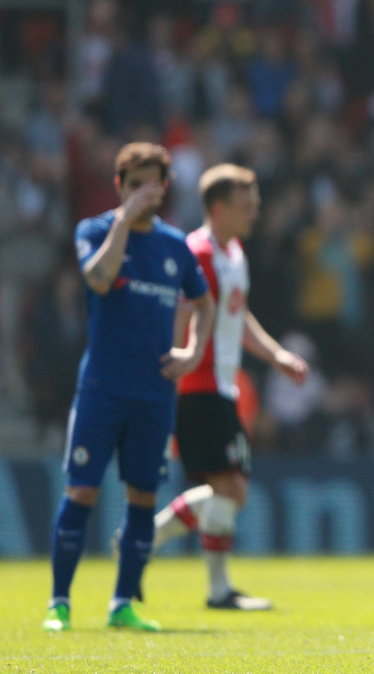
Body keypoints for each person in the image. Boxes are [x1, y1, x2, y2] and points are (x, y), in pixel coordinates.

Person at [43, 142, 215, 632]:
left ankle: (122, 604)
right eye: (135, 184)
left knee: (142, 497)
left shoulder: (174, 246)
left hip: (154, 394)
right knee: (81, 491)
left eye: (152, 184)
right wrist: (124, 220)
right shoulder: (95, 230)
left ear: (164, 188)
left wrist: (192, 350)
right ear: (120, 186)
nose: (145, 193)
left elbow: (202, 304)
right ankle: (59, 603)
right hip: (101, 389)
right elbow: (97, 279)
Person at [149, 163, 309, 610]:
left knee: (230, 488)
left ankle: (147, 540)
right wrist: (173, 367)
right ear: (218, 207)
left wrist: (276, 355)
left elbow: (237, 318)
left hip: (222, 385)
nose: (253, 213)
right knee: (230, 487)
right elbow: (180, 316)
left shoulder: (234, 252)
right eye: (246, 206)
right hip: (197, 384)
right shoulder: (197, 253)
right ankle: (215, 588)